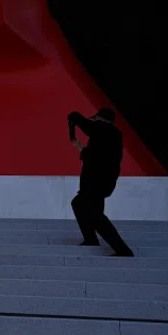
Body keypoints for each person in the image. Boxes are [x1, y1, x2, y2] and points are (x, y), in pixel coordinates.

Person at [68, 108, 134, 257]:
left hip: (96, 183)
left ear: (100, 120)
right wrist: (79, 146)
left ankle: (122, 249)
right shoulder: (109, 136)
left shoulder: (107, 130)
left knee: (95, 215)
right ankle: (91, 239)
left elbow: (82, 122)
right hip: (99, 183)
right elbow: (93, 156)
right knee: (79, 204)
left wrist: (75, 118)